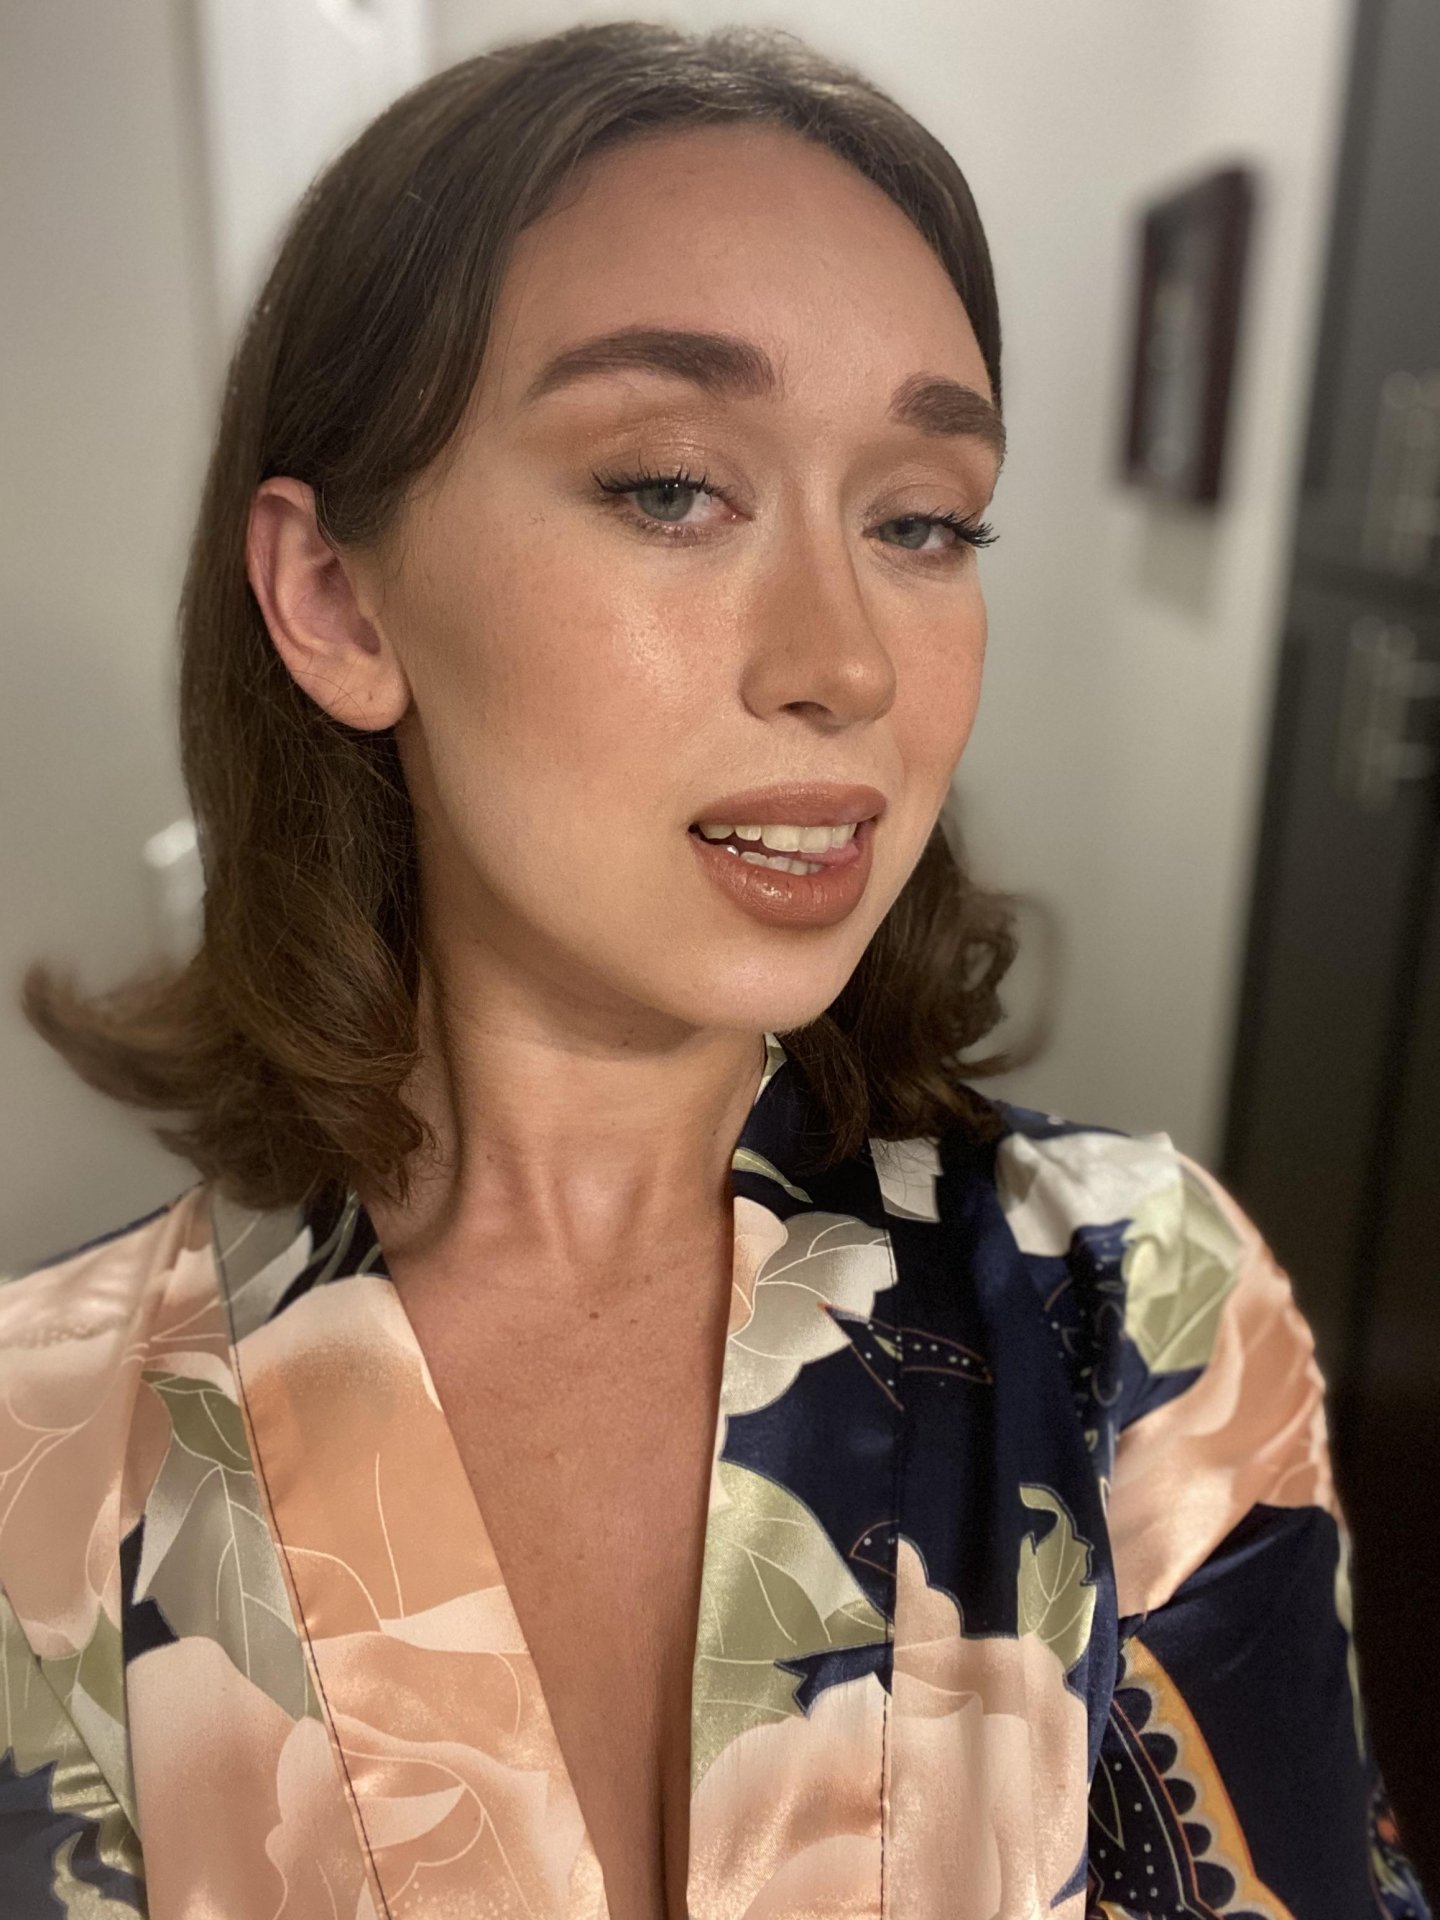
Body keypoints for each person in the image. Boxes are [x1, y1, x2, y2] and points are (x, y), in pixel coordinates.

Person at [0, 19, 1430, 1920]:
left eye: (922, 520)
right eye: (673, 486)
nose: (846, 662)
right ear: (336, 597)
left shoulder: (1137, 1312)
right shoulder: (38, 1458)